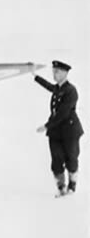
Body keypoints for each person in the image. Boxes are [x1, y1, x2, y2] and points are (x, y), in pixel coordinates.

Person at [36, 60, 83, 196]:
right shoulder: (58, 88)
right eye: (53, 71)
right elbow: (49, 86)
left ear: (65, 73)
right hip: (56, 131)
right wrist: (35, 77)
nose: (54, 74)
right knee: (56, 159)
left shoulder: (71, 91)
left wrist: (46, 126)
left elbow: (63, 113)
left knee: (71, 158)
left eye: (57, 72)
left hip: (70, 130)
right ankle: (61, 187)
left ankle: (72, 186)